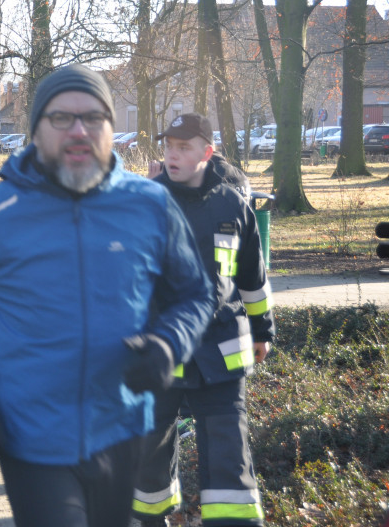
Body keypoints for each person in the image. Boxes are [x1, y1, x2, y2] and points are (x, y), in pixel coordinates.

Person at [0, 65, 217, 527]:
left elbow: (195, 293)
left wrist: (168, 344)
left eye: (94, 118)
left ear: (112, 129)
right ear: (34, 130)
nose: (79, 130)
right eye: (61, 118)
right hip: (28, 434)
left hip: (122, 427)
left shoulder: (150, 204)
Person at [132, 114, 274, 527]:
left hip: (221, 350)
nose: (172, 155)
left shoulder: (233, 204)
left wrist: (263, 331)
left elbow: (252, 276)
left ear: (206, 153)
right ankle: (150, 518)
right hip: (161, 348)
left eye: (183, 147)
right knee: (150, 448)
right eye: (168, 147)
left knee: (230, 447)